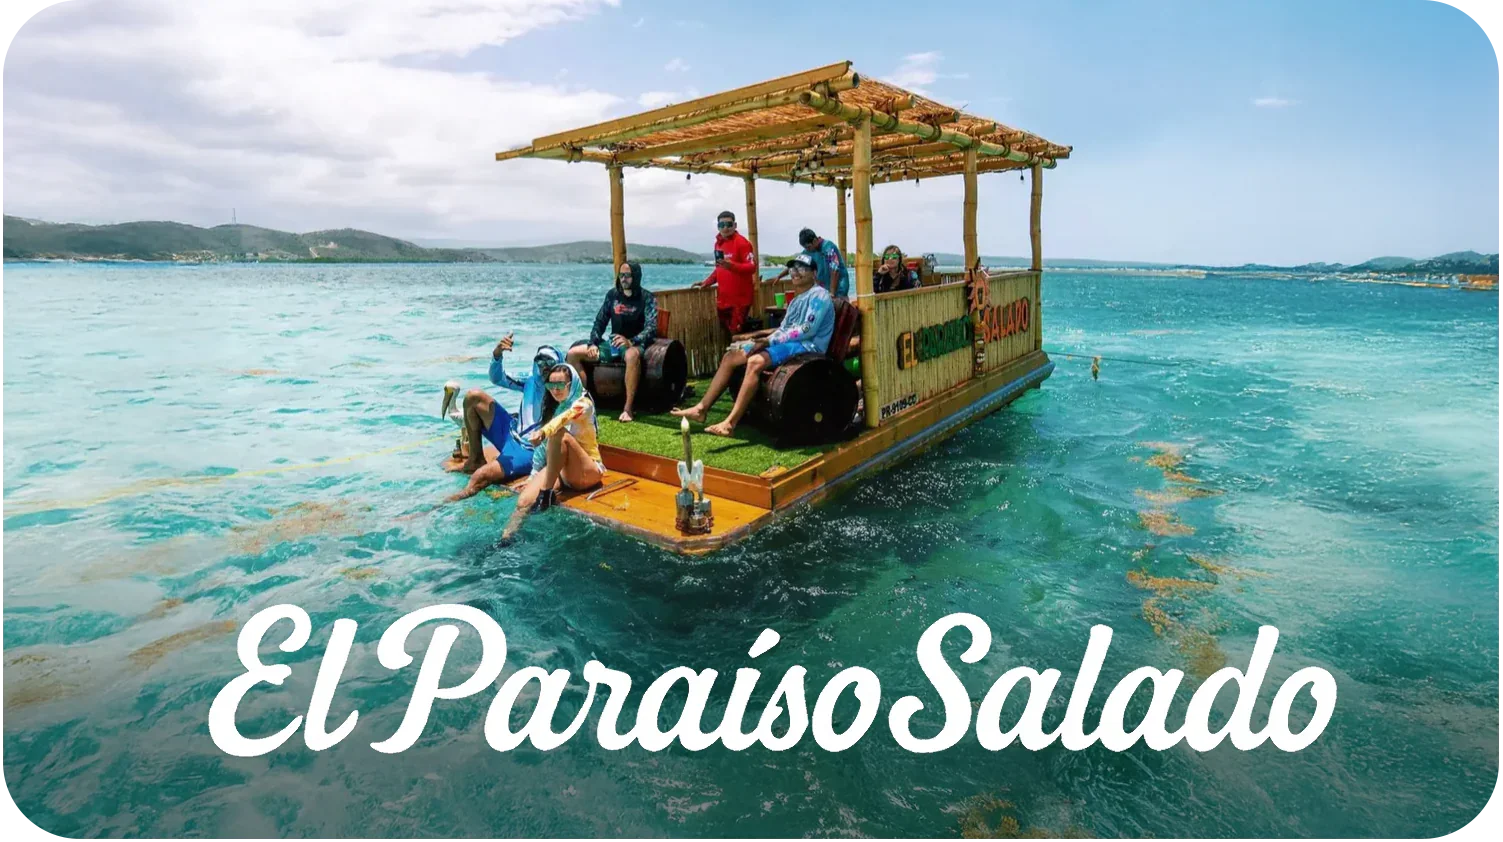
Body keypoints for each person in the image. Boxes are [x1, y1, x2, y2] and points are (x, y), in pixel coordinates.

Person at [672, 253, 834, 437]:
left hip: (809, 348)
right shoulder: (797, 300)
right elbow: (784, 328)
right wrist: (757, 341)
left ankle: (730, 423)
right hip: (790, 344)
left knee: (755, 361)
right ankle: (701, 409)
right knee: (731, 357)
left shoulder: (819, 295)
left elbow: (807, 330)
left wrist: (770, 341)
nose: (796, 273)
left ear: (814, 272)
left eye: (802, 268)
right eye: (793, 268)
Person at [442, 339, 563, 499]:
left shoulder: (563, 389)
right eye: (541, 363)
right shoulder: (530, 380)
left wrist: (536, 474)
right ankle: (475, 459)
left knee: (480, 476)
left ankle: (439, 506)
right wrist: (497, 355)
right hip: (511, 433)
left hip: (528, 450)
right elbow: (497, 378)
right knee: (474, 397)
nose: (545, 369)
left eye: (550, 364)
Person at [501, 363, 605, 541]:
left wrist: (543, 432)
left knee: (559, 435)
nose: (555, 390)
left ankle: (546, 494)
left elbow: (564, 420)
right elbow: (543, 448)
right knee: (524, 502)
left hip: (587, 471)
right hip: (562, 472)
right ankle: (506, 539)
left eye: (560, 385)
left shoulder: (583, 403)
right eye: (550, 386)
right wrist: (533, 475)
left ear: (571, 384)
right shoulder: (557, 407)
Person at [567, 261, 657, 422]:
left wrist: (631, 341)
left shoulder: (647, 298)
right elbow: (600, 321)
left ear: (636, 277)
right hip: (612, 344)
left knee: (631, 356)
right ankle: (582, 402)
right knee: (573, 354)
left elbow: (651, 327)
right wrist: (593, 343)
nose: (624, 279)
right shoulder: (612, 295)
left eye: (628, 275)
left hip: (634, 344)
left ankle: (628, 408)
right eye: (621, 275)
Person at [697, 210, 756, 336]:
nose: (725, 228)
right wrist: (707, 282)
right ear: (718, 227)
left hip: (740, 301)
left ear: (735, 225)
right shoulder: (718, 244)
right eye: (721, 225)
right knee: (727, 335)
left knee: (736, 335)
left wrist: (732, 266)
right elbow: (720, 268)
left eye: (729, 224)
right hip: (723, 301)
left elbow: (752, 267)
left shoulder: (742, 243)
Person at [774, 228, 849, 299]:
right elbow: (795, 265)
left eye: (808, 247)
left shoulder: (828, 247)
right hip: (825, 292)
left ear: (814, 241)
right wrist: (779, 276)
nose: (807, 250)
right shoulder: (808, 251)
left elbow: (835, 270)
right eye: (805, 248)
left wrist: (832, 293)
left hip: (839, 291)